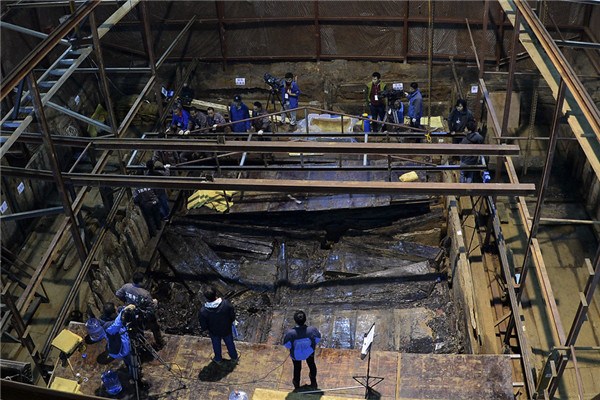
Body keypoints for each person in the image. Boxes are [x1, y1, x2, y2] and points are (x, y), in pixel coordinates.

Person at [116, 272, 165, 348]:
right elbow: (151, 308)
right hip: (141, 314)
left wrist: (127, 301)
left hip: (130, 311)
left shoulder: (126, 286)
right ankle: (160, 342)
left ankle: (141, 344)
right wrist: (155, 303)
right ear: (141, 281)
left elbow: (118, 294)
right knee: (154, 326)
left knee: (138, 329)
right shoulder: (145, 294)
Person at [198, 287, 239, 364]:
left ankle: (218, 359)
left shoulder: (203, 311)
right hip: (226, 329)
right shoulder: (226, 304)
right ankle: (234, 357)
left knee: (216, 344)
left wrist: (206, 329)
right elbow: (232, 316)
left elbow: (203, 325)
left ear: (206, 298)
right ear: (215, 294)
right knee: (230, 343)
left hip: (214, 331)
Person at [283, 310, 321, 390]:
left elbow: (287, 345)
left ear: (295, 321)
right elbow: (317, 339)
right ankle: (313, 381)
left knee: (297, 368)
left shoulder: (290, 333)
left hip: (296, 355)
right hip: (309, 352)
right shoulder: (312, 330)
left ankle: (296, 385)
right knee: (311, 364)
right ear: (305, 319)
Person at [460, 119, 484, 183]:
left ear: (468, 130)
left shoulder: (465, 140)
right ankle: (468, 189)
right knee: (470, 175)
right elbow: (481, 139)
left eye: (465, 128)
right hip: (473, 161)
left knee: (462, 174)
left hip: (464, 161)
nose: (464, 129)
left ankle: (461, 189)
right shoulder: (478, 138)